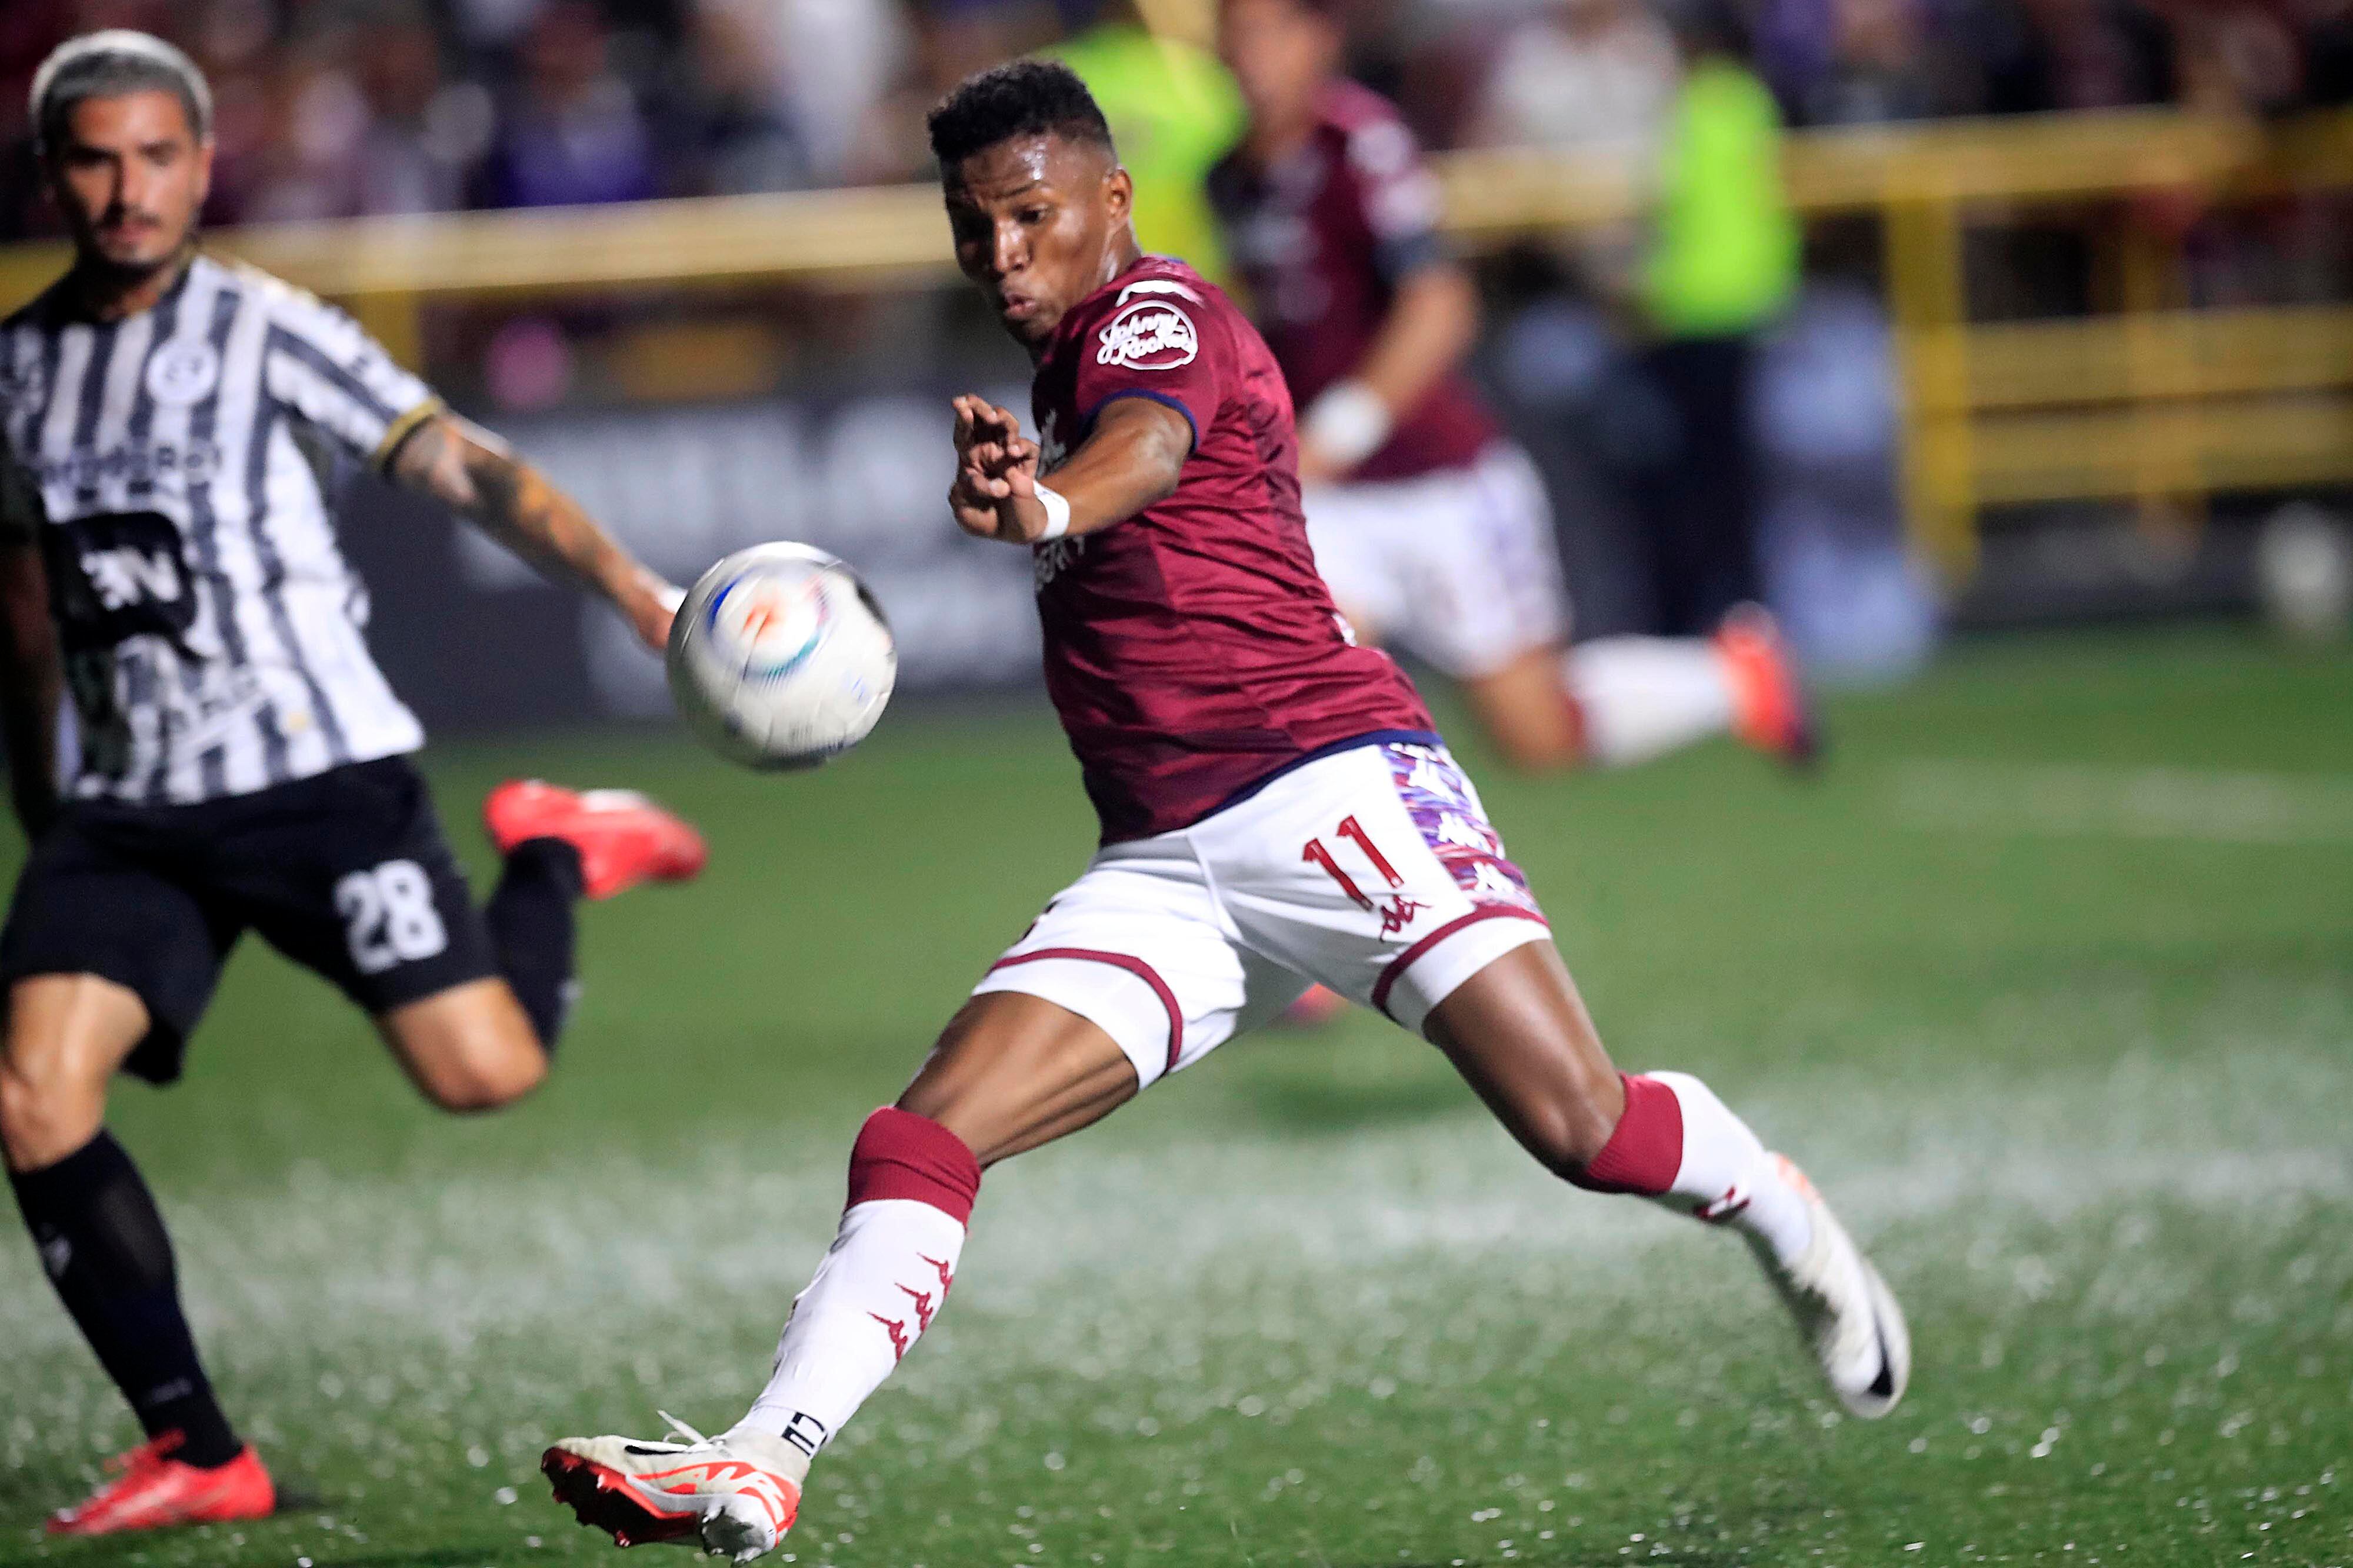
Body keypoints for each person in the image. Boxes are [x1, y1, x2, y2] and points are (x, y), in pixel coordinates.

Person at [540, 61, 1907, 1565]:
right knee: (922, 1133)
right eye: (973, 226)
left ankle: (1775, 1206)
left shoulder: (1156, 316)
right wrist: (1037, 486)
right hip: (1162, 864)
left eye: (1032, 216)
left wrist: (1044, 505)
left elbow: (1152, 444)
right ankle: (761, 1459)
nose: (1002, 253)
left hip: (1329, 790)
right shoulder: (1060, 372)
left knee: (1583, 1128)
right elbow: (1111, 460)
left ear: (1113, 200)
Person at [0, 31, 705, 1537]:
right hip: (130, 810)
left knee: (483, 1075)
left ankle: (554, 851)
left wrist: (633, 592)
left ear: (202, 166)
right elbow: (24, 596)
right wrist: (40, 788)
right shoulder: (19, 371)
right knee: (32, 1096)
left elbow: (465, 464)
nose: (127, 191)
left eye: (156, 157)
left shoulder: (264, 329)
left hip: (318, 781)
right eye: (95, 161)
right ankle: (199, 1447)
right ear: (52, 173)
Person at [1209, 0, 1811, 776]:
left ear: (1319, 39)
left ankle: (1735, 676)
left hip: (1438, 478)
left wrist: (1338, 432)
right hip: (1328, 499)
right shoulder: (1229, 177)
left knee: (1539, 735)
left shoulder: (1362, 143)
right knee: (1306, 691)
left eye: (1269, 33)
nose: (1250, 56)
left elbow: (1440, 306)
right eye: (1236, 35)